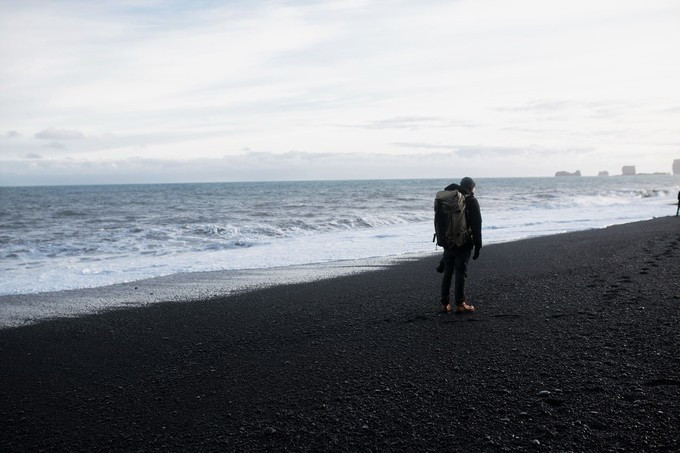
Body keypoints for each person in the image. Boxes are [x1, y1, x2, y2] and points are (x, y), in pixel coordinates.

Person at [438, 177, 482, 313]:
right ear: (471, 188)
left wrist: (443, 241)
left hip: (447, 241)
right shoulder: (470, 200)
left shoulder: (446, 199)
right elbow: (476, 225)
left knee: (448, 272)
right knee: (461, 272)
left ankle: (445, 305)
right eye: (474, 187)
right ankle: (460, 304)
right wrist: (478, 246)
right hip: (463, 242)